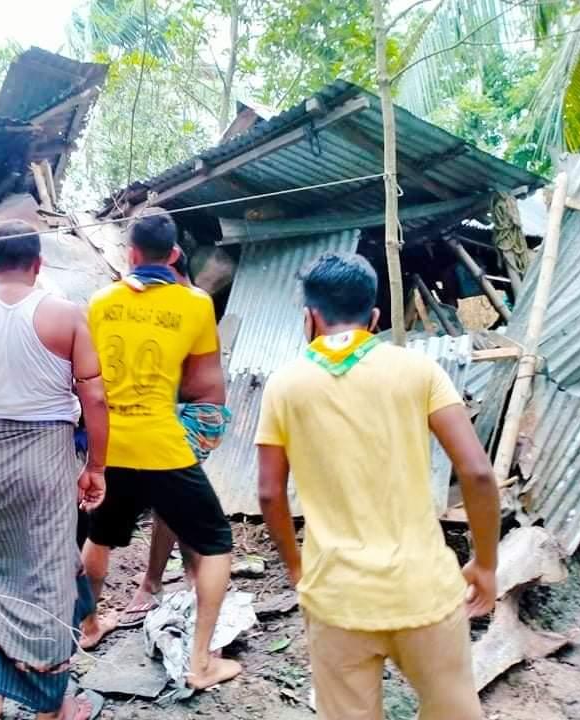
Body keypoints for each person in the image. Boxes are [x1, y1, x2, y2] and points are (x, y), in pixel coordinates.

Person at [255, 252, 500, 720]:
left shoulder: (284, 385)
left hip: (338, 597)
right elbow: (477, 472)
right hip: (424, 591)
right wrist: (485, 563)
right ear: (374, 317)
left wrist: (295, 569)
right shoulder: (418, 371)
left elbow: (268, 492)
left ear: (309, 318)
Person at [0, 220, 109, 720]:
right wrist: (95, 466)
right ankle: (51, 706)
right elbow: (93, 395)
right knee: (48, 573)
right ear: (38, 264)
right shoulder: (67, 316)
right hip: (49, 457)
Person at [80, 209, 242, 690]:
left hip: (110, 445)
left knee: (100, 536)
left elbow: (86, 379)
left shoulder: (99, 302)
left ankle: (88, 628)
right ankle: (200, 663)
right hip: (164, 445)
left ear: (130, 253)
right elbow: (199, 384)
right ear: (174, 254)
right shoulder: (195, 305)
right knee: (216, 544)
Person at [118, 248, 231, 628]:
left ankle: (152, 583)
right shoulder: (169, 307)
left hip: (197, 416)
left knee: (167, 493)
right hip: (174, 413)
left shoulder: (190, 306)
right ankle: (191, 570)